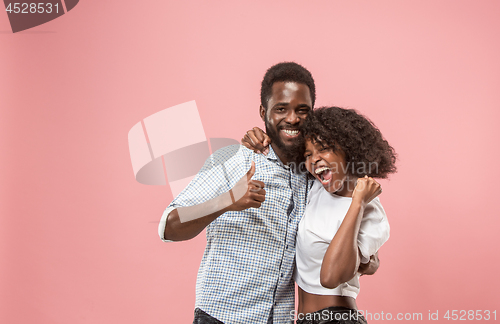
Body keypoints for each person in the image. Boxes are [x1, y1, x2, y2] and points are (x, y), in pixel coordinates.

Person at [159, 62, 316, 324]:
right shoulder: (234, 159)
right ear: (263, 112)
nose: (292, 118)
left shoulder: (312, 173)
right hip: (223, 317)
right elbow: (168, 226)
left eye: (302, 110)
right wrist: (228, 200)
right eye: (281, 109)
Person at [243, 107, 397, 324]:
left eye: (323, 149)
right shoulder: (315, 187)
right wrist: (260, 138)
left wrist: (358, 204)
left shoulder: (371, 212)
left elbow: (330, 277)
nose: (314, 160)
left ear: (349, 149)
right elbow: (280, 156)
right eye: (307, 155)